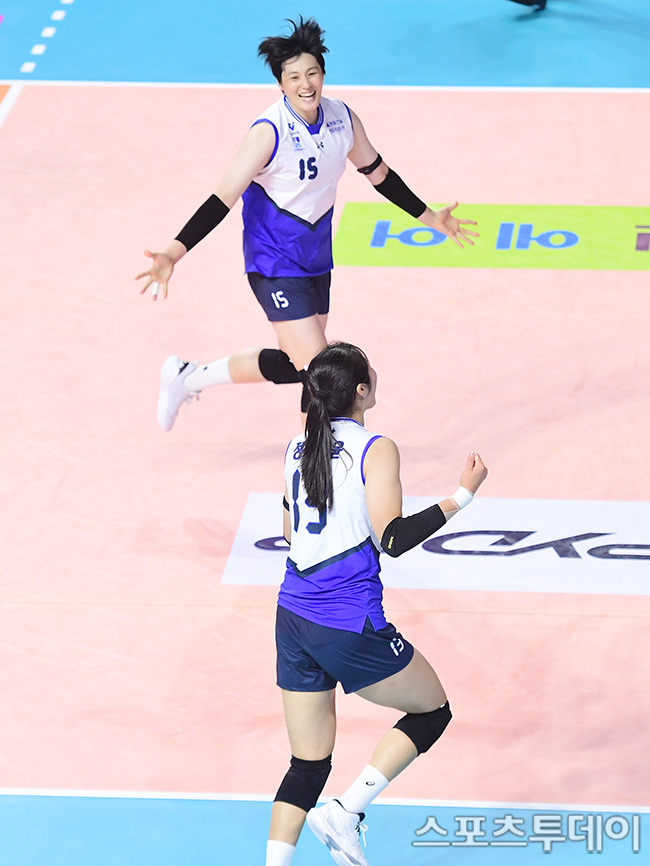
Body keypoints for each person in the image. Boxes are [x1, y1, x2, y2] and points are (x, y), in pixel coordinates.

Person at [135, 18, 479, 431]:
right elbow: (221, 199)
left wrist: (430, 217)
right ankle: (312, 463)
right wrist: (173, 252)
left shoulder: (341, 119)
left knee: (293, 363)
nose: (305, 84)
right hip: (273, 262)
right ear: (280, 83)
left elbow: (379, 174)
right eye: (294, 76)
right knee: (324, 374)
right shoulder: (268, 132)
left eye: (312, 73)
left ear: (323, 74)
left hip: (316, 259)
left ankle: (188, 377)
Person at [268, 342, 488, 866]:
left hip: (292, 617)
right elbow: (392, 539)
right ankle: (346, 812)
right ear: (361, 390)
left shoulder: (297, 446)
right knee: (432, 710)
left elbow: (289, 532)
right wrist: (462, 496)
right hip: (348, 621)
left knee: (307, 765)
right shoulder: (376, 447)